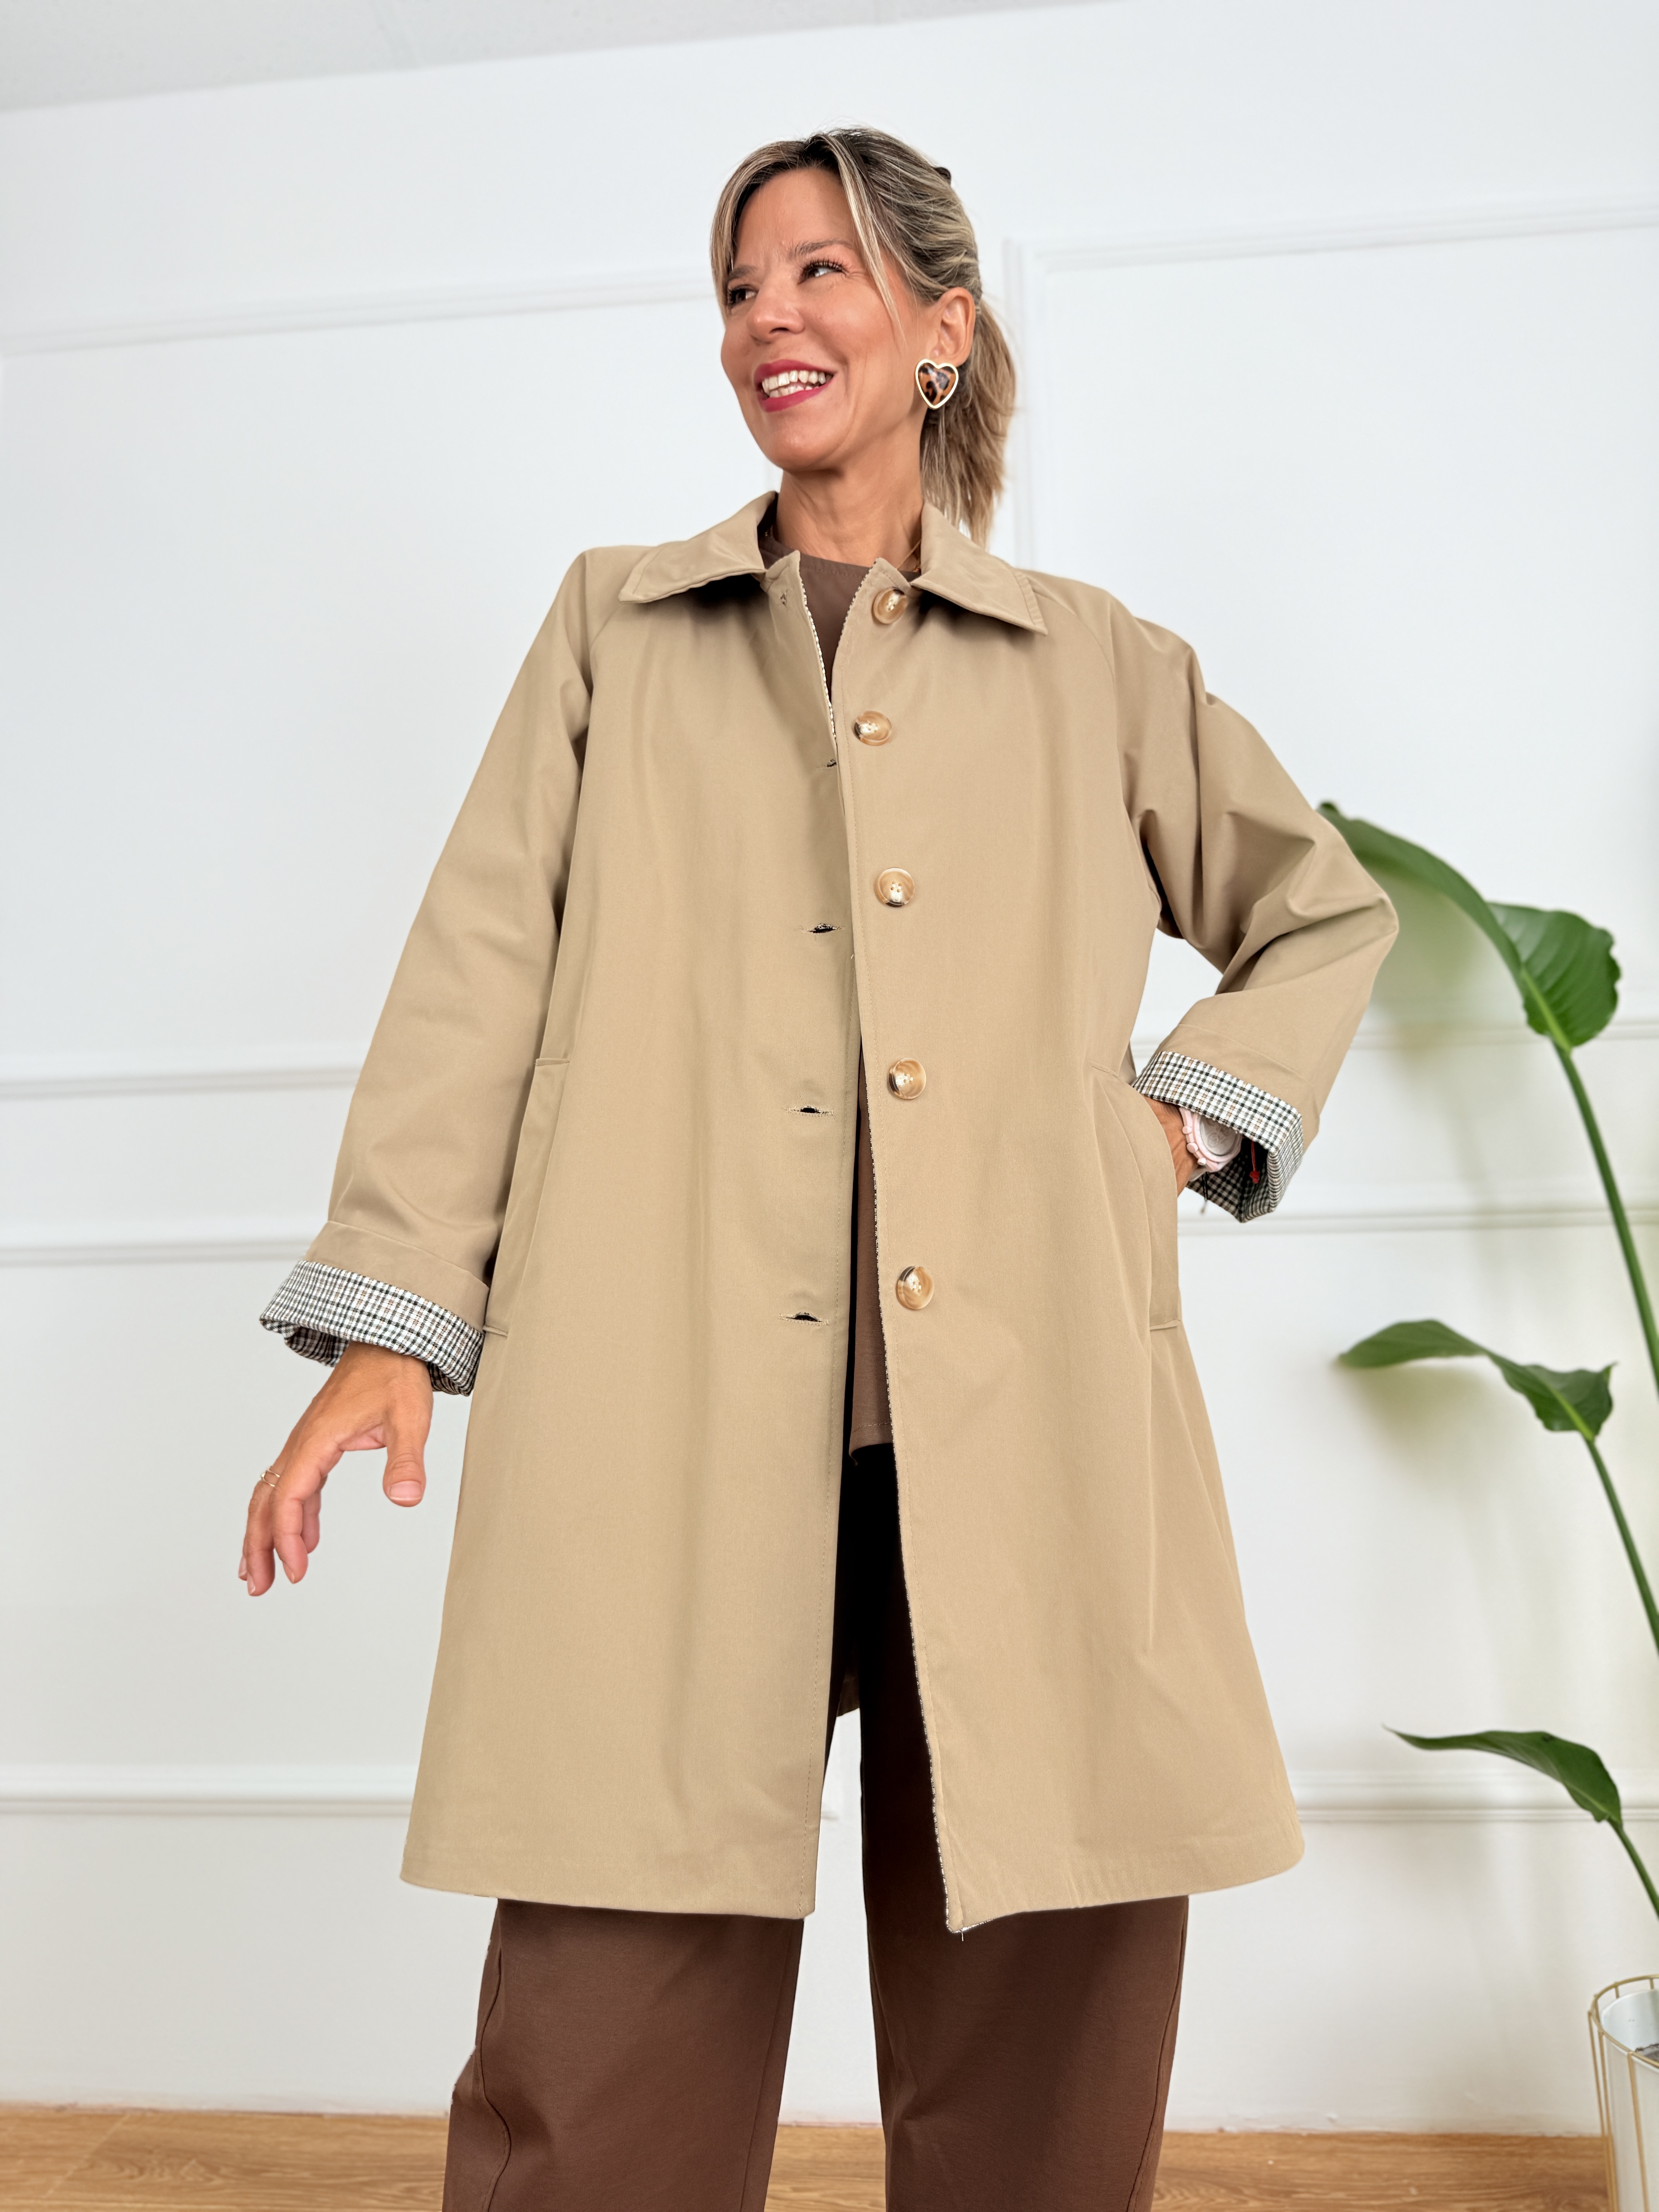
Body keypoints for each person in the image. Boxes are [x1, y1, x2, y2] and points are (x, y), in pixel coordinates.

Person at [242, 127, 1395, 2212]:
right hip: (671, 1402)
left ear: (942, 328)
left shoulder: (1100, 663)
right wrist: (391, 1328)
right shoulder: (615, 628)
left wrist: (1173, 1122)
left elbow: (1320, 916)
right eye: (740, 286)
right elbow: (476, 973)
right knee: (601, 2028)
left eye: (820, 273)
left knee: (1052, 1994)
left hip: (1024, 1406)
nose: (769, 317)